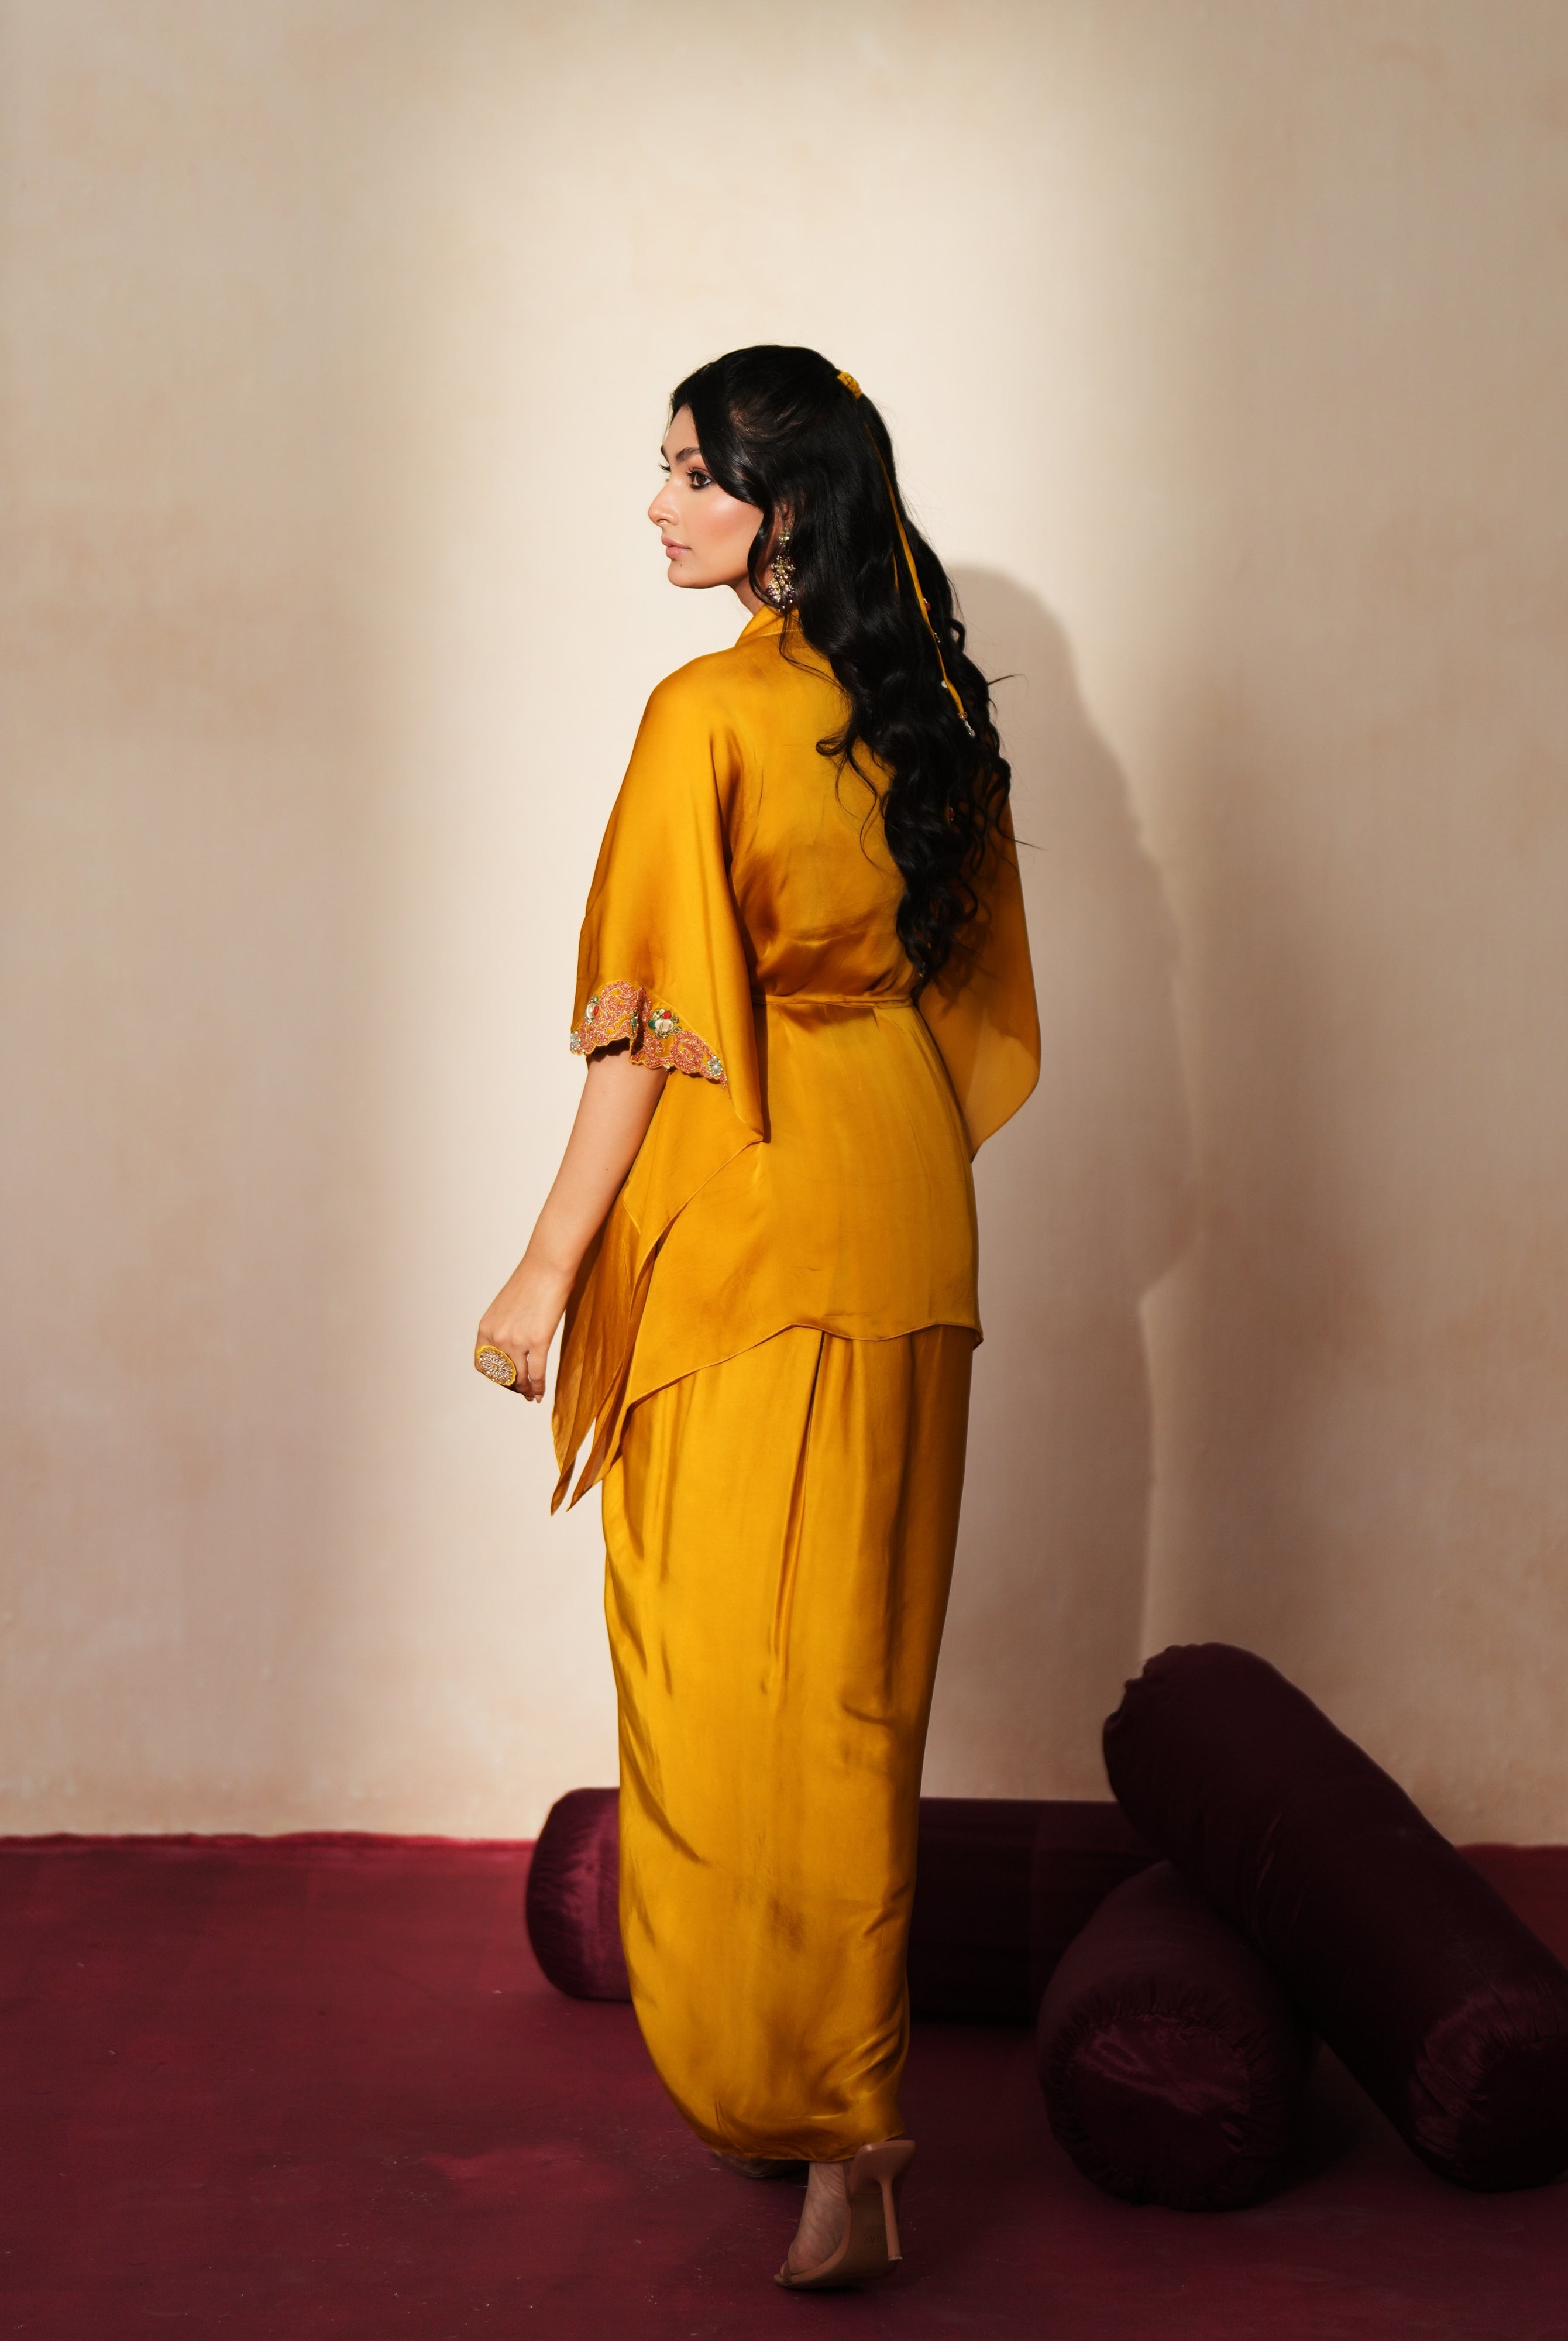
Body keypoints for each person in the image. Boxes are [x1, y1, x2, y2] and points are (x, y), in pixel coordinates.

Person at [475, 346, 1039, 2289]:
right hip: (907, 1212)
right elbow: (968, 1011)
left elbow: (644, 1035)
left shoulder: (700, 715)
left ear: (780, 509)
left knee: (725, 1691)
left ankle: (815, 2111)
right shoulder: (933, 700)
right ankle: (844, 2117)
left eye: (689, 473)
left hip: (755, 1227)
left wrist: (547, 1268)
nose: (657, 505)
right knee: (859, 1698)